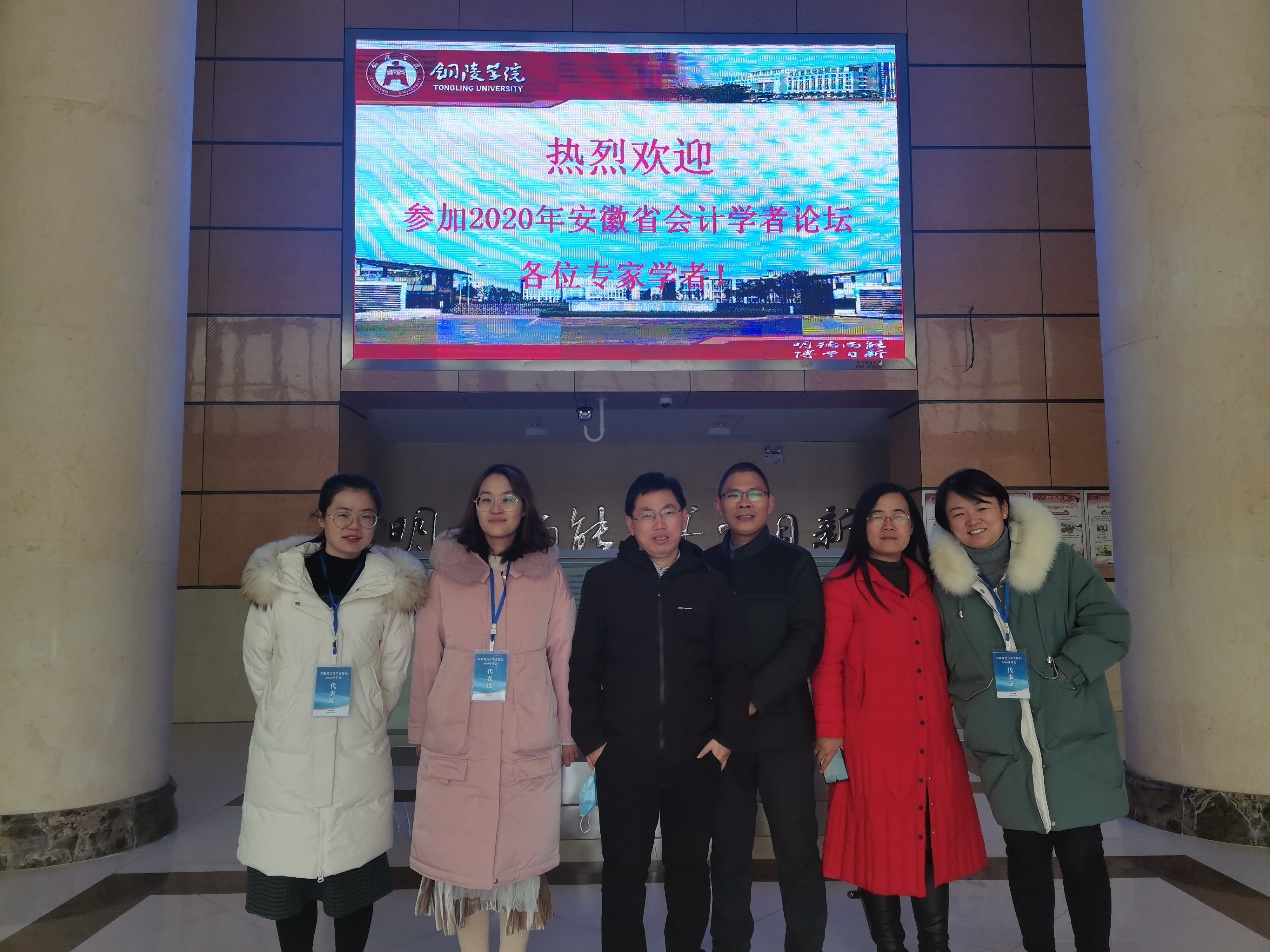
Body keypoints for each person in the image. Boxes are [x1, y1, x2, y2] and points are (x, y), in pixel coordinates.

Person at [928, 469, 1130, 952]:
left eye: (981, 507)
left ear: (1003, 508)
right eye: (958, 513)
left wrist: (1067, 670)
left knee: (1083, 854)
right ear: (947, 525)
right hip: (1003, 743)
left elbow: (1109, 622)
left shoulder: (1057, 562)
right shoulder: (941, 587)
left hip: (1071, 734)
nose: (972, 520)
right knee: (1025, 857)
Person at [238, 473, 427, 952]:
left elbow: (392, 672)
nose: (353, 525)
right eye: (342, 514)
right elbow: (258, 663)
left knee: (352, 878)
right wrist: (284, 710)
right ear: (321, 518)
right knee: (289, 879)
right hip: (287, 751)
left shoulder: (388, 589)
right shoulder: (280, 580)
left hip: (355, 749)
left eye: (366, 516)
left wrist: (364, 714)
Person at [569, 471, 751, 952]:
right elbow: (584, 668)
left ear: (685, 517)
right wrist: (594, 742)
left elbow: (732, 669)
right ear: (630, 524)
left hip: (696, 757)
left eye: (668, 512)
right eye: (647, 515)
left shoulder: (711, 585)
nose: (659, 524)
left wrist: (725, 738)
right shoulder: (604, 583)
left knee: (689, 870)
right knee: (623, 871)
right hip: (623, 757)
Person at [811, 482, 987, 952]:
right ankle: (889, 945)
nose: (889, 525)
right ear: (862, 526)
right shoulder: (842, 586)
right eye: (877, 516)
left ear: (913, 526)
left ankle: (935, 943)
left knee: (931, 837)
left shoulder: (933, 583)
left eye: (899, 515)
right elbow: (827, 665)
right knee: (879, 842)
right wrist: (829, 733)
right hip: (871, 740)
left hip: (932, 735)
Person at [408, 463, 576, 952]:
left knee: (520, 868)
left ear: (524, 507)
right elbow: (426, 657)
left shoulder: (548, 575)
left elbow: (563, 658)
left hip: (527, 732)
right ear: (474, 507)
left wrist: (568, 733)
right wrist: (419, 730)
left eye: (508, 498)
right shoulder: (446, 576)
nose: (496, 508)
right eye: (486, 498)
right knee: (462, 868)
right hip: (456, 732)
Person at [703, 462, 828, 952]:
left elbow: (806, 641)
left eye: (754, 493)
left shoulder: (795, 562)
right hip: (720, 736)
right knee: (727, 853)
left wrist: (750, 699)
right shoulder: (702, 565)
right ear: (718, 506)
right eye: (733, 494)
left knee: (797, 851)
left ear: (770, 503)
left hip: (783, 731)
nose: (744, 502)